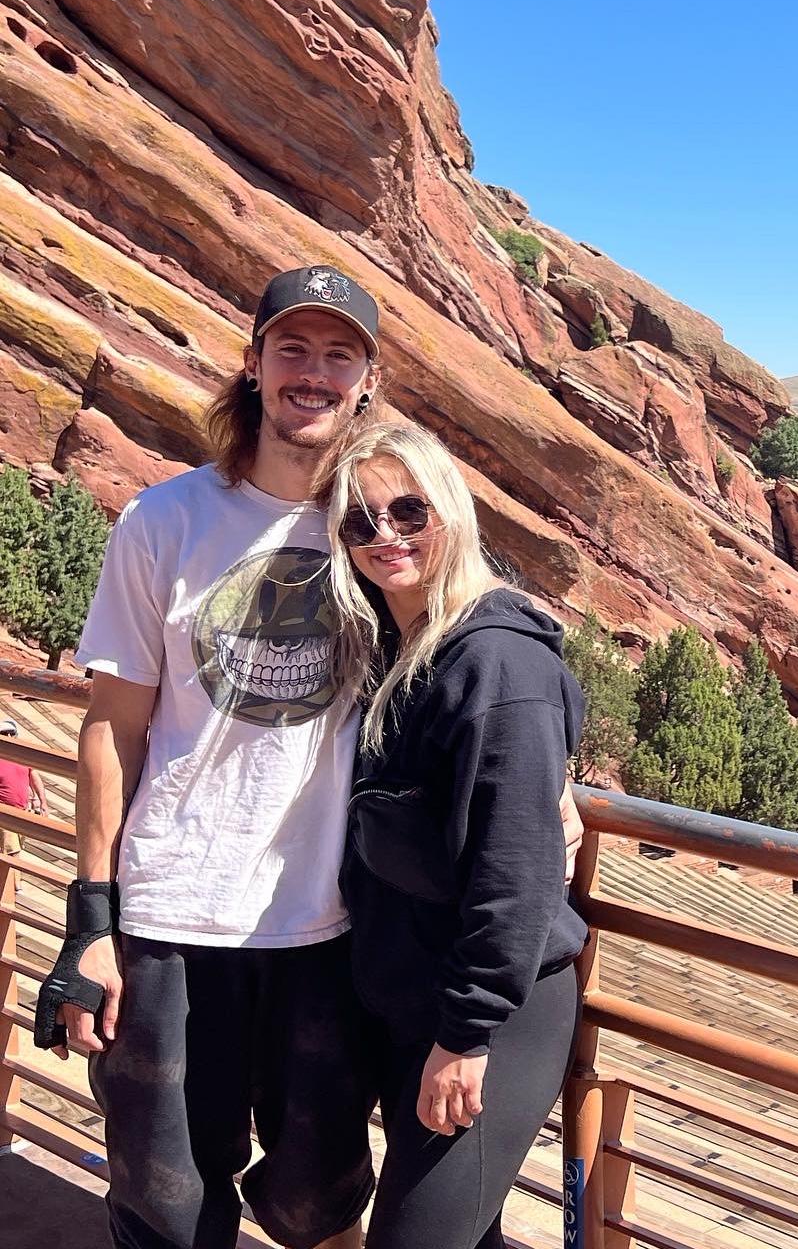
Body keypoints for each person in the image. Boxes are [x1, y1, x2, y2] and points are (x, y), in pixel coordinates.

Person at [31, 264, 583, 1249]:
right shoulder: (166, 522)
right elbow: (112, 726)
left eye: (340, 355)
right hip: (170, 920)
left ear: (367, 382)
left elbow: (468, 664)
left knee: (317, 1206)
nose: (313, 373)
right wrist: (91, 924)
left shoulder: (375, 531)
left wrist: (551, 780)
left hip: (328, 933)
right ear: (254, 364)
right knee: (166, 1208)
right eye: (292, 348)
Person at [317, 420, 587, 1249]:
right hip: (413, 993)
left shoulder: (497, 665)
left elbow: (516, 873)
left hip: (490, 1014)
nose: (385, 535)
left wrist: (466, 1036)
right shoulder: (393, 646)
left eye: (409, 511)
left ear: (452, 512)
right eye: (359, 520)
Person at [1, 719, 49, 857]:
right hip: (5, 813)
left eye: (11, 733)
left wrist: (41, 801)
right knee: (12, 853)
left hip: (22, 811)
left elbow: (33, 776)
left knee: (12, 852)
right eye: (4, 733)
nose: (8, 736)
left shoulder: (22, 755)